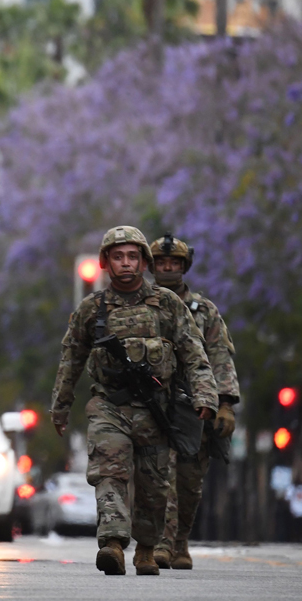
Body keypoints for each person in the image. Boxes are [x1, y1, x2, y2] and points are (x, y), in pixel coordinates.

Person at [50, 226, 217, 575]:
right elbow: (71, 359)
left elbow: (193, 352)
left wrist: (206, 395)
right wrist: (61, 405)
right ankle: (112, 543)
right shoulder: (91, 309)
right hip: (108, 405)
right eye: (117, 256)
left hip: (156, 410)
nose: (125, 263)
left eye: (132, 256)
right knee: (109, 470)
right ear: (105, 263)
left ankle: (145, 547)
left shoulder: (167, 305)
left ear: (143, 262)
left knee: (154, 485)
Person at [148, 233, 239, 570]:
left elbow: (220, 356)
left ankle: (180, 540)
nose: (167, 267)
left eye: (174, 263)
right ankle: (160, 542)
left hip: (194, 404)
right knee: (159, 474)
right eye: (161, 262)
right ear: (152, 265)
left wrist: (225, 403)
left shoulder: (204, 311)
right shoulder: (141, 305)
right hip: (153, 402)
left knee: (188, 481)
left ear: (185, 267)